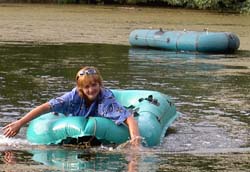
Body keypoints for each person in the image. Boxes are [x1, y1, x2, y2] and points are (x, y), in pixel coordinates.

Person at [3, 66, 141, 146]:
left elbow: (128, 117)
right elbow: (45, 107)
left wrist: (135, 138)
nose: (91, 89)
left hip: (100, 123)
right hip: (77, 123)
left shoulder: (105, 99)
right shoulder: (71, 98)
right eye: (86, 87)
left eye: (94, 85)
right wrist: (20, 123)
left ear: (100, 84)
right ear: (81, 89)